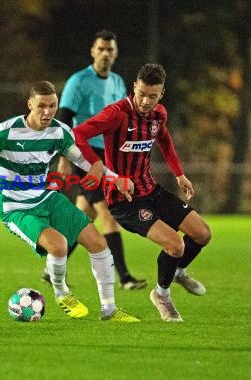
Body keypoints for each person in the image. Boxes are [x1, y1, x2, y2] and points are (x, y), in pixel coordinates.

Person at [0, 81, 139, 322]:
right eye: (41, 106)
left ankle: (109, 310)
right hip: (15, 207)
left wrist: (116, 180)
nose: (48, 112)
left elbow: (84, 162)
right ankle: (62, 293)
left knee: (98, 242)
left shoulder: (60, 132)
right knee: (59, 246)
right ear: (29, 104)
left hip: (46, 197)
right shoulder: (5, 132)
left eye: (53, 106)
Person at [73, 63, 212, 322]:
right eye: (142, 94)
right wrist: (99, 168)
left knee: (203, 234)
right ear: (134, 87)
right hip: (124, 202)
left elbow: (164, 139)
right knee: (175, 244)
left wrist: (179, 174)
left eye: (152, 96)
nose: (146, 101)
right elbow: (78, 134)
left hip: (152, 191)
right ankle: (162, 294)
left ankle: (178, 272)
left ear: (162, 94)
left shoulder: (159, 114)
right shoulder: (116, 114)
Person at [43, 30, 146, 291]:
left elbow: (122, 119)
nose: (105, 54)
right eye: (101, 49)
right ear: (93, 51)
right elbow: (64, 120)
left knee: (83, 215)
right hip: (84, 154)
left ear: (116, 53)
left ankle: (52, 266)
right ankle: (124, 277)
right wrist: (65, 156)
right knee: (109, 214)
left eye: (110, 49)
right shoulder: (79, 81)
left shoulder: (118, 82)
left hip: (107, 156)